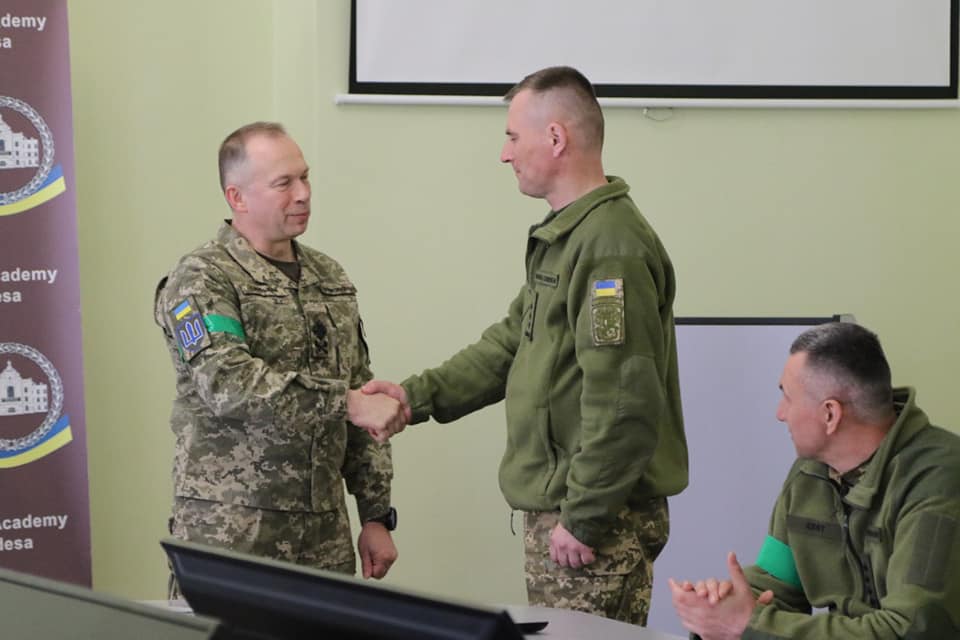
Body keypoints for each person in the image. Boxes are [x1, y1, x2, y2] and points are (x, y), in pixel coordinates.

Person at [362, 66, 688, 625]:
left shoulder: (610, 247)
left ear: (556, 138)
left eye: (513, 136)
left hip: (596, 521)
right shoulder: (571, 236)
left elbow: (624, 402)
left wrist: (584, 516)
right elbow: (510, 345)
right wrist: (415, 396)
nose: (505, 154)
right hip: (574, 512)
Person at [154, 122, 406, 591]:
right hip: (233, 535)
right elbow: (228, 382)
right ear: (237, 197)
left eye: (305, 177)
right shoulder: (201, 278)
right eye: (283, 183)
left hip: (323, 538)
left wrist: (375, 515)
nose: (303, 194)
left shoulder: (329, 277)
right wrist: (347, 402)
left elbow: (361, 389)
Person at [669, 322, 960, 639]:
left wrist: (748, 626)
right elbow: (776, 580)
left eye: (787, 397)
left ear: (830, 414)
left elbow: (913, 630)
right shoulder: (809, 475)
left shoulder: (939, 478)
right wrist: (723, 608)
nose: (780, 413)